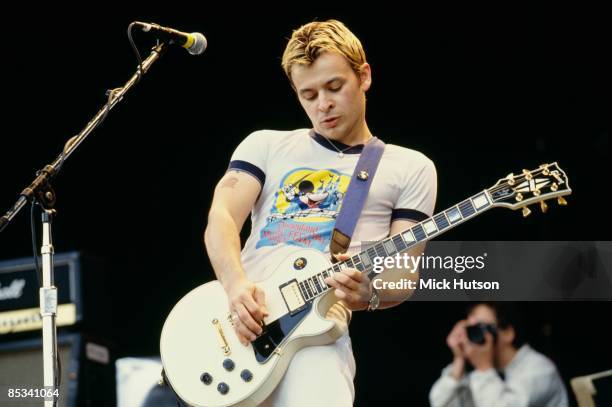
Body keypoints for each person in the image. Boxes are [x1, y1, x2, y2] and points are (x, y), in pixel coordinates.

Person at [204, 19, 437, 406]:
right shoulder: (265, 145)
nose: (322, 105)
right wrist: (235, 286)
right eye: (307, 94)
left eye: (334, 87)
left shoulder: (411, 167)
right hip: (238, 326)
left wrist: (372, 293)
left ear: (364, 76)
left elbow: (403, 272)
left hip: (317, 335)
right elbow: (222, 218)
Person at [430, 303, 569, 407]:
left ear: (508, 333)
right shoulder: (482, 371)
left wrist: (484, 368)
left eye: (482, 328)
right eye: (471, 329)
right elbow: (440, 403)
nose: (476, 335)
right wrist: (458, 360)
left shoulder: (539, 369)